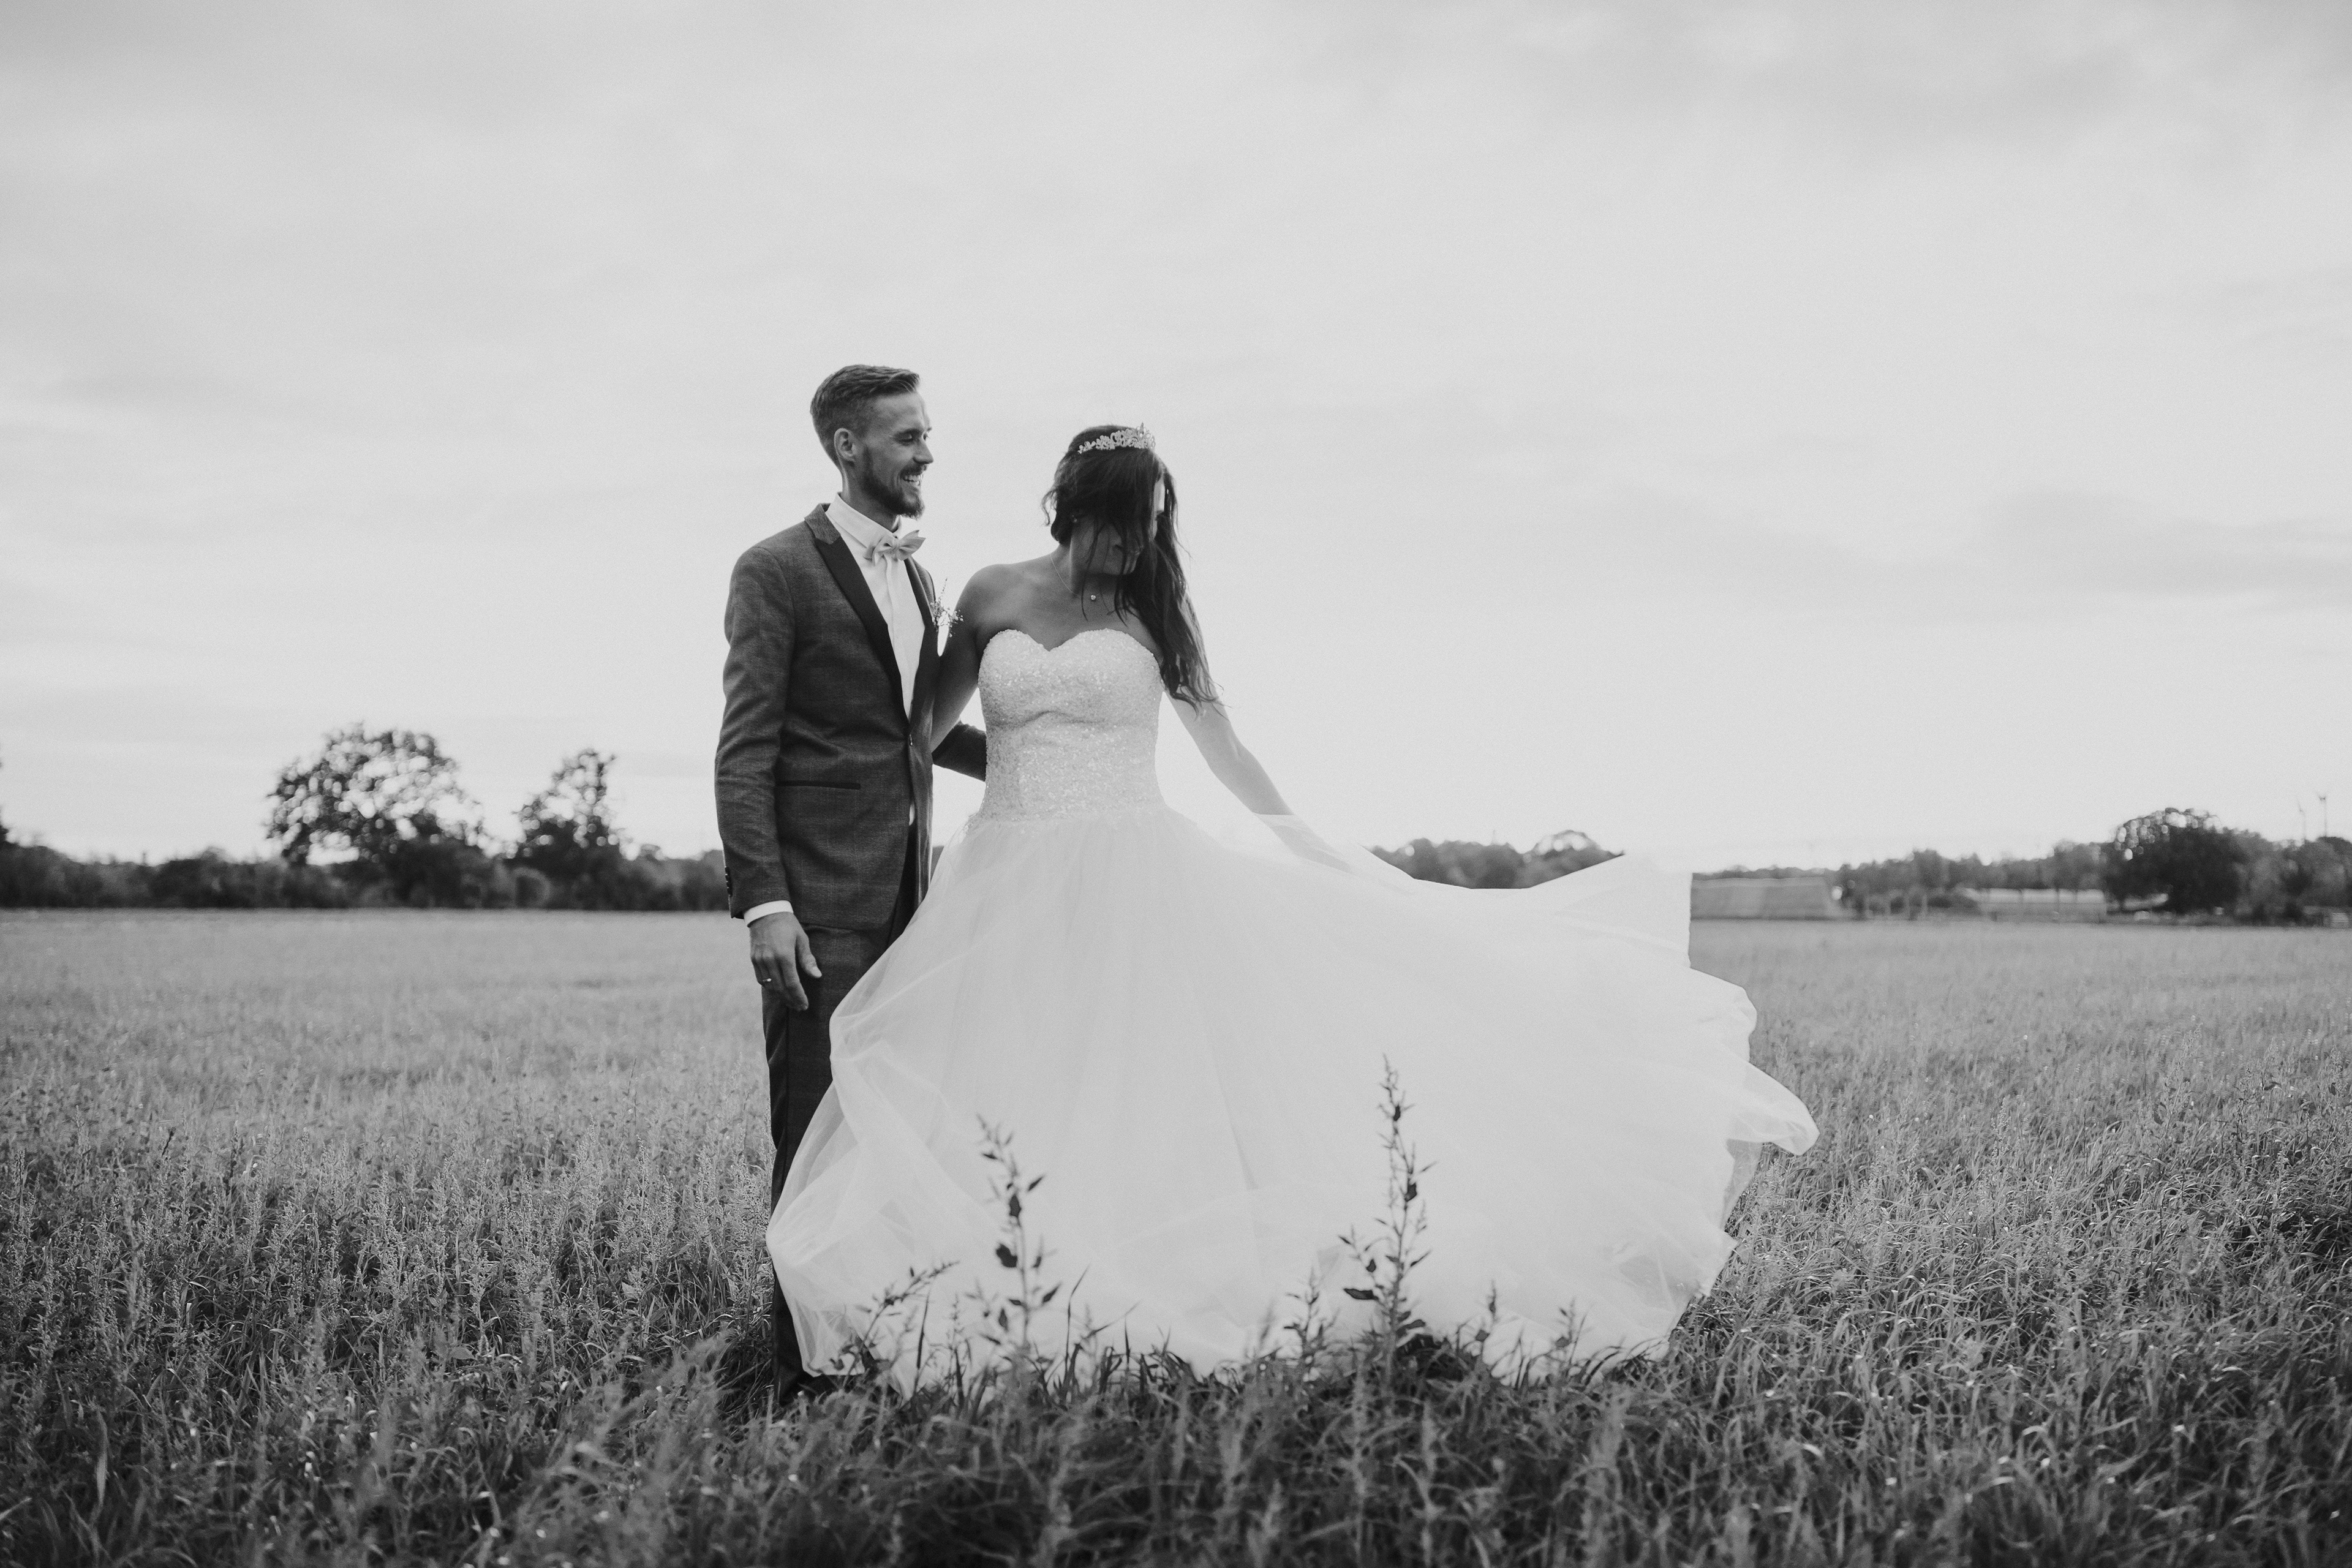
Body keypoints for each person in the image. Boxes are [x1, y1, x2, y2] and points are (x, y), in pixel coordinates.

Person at [767, 424, 1817, 1383]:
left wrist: (1302, 843)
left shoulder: (1153, 610)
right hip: (1005, 873)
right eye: (1125, 531)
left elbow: (1223, 742)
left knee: (1141, 1082)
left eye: (1150, 534)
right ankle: (994, 1276)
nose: (1137, 551)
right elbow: (925, 731)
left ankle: (1144, 1276)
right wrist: (1015, 782)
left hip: (1136, 877)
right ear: (1074, 512)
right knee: (1002, 1069)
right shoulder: (991, 592)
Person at [714, 364, 986, 1398]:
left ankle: (877, 1336)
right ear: (847, 446)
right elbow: (745, 750)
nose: (926, 453)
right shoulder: (775, 568)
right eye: (909, 436)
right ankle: (795, 1369)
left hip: (919, 904)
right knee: (814, 1127)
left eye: (927, 436)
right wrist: (765, 903)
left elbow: (913, 730)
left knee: (891, 1133)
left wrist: (1034, 757)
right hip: (819, 906)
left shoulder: (919, 580)